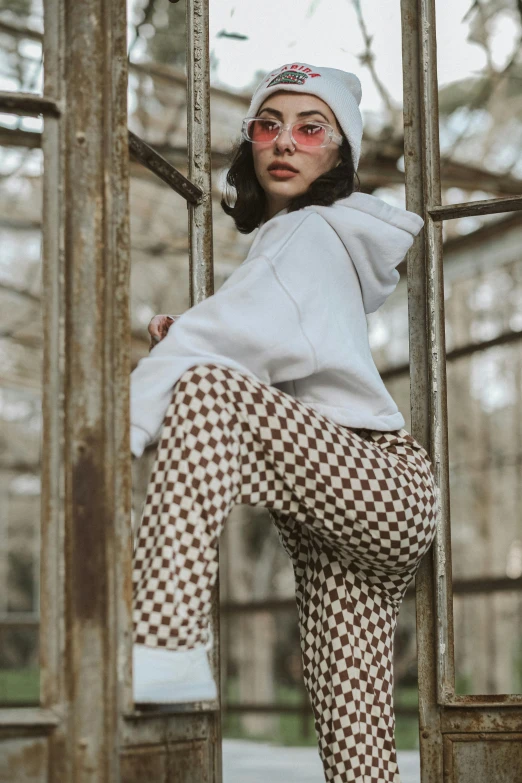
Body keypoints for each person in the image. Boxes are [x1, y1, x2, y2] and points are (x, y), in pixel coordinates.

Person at [130, 61, 438, 783]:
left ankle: (167, 645)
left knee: (205, 384)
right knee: (354, 745)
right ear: (249, 142)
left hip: (374, 478)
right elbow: (273, 336)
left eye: (311, 127)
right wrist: (194, 331)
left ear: (340, 152)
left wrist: (125, 424)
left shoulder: (310, 232)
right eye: (268, 125)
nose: (285, 142)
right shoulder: (297, 245)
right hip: (340, 517)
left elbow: (228, 351)